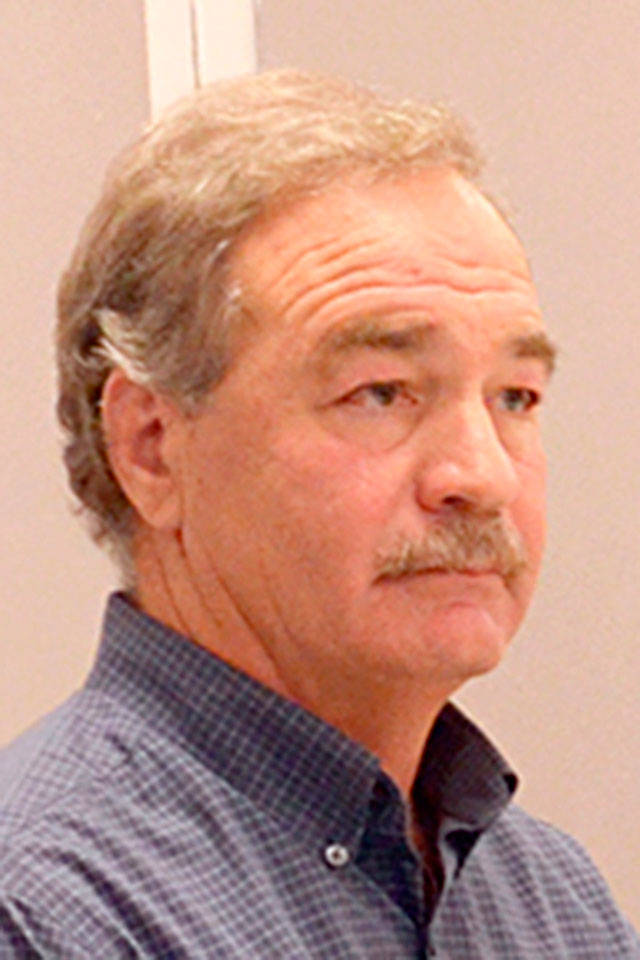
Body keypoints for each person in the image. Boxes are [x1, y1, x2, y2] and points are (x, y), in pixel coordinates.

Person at [0, 70, 637, 960]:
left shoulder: (551, 900)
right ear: (151, 446)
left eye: (516, 397)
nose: (482, 476)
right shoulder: (42, 912)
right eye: (381, 392)